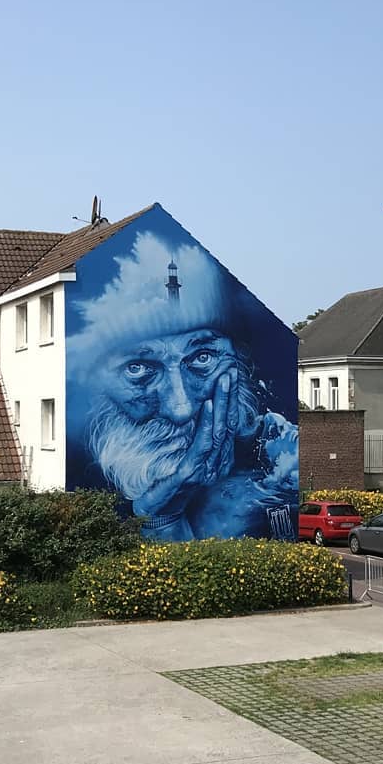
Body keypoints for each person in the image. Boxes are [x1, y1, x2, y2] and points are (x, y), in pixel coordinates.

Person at [65, 231, 298, 540]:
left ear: (239, 363)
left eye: (202, 358)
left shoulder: (282, 455)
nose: (181, 408)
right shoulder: (81, 490)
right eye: (138, 368)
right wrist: (163, 517)